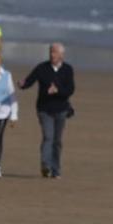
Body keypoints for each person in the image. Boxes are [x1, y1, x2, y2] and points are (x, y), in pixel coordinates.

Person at [20, 42, 76, 179]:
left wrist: (57, 91)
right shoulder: (42, 68)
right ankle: (45, 165)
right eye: (51, 52)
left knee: (57, 141)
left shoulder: (68, 69)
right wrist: (23, 85)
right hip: (44, 109)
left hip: (61, 110)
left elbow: (70, 90)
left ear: (62, 55)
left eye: (55, 52)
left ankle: (55, 170)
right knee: (48, 137)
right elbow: (29, 80)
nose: (52, 54)